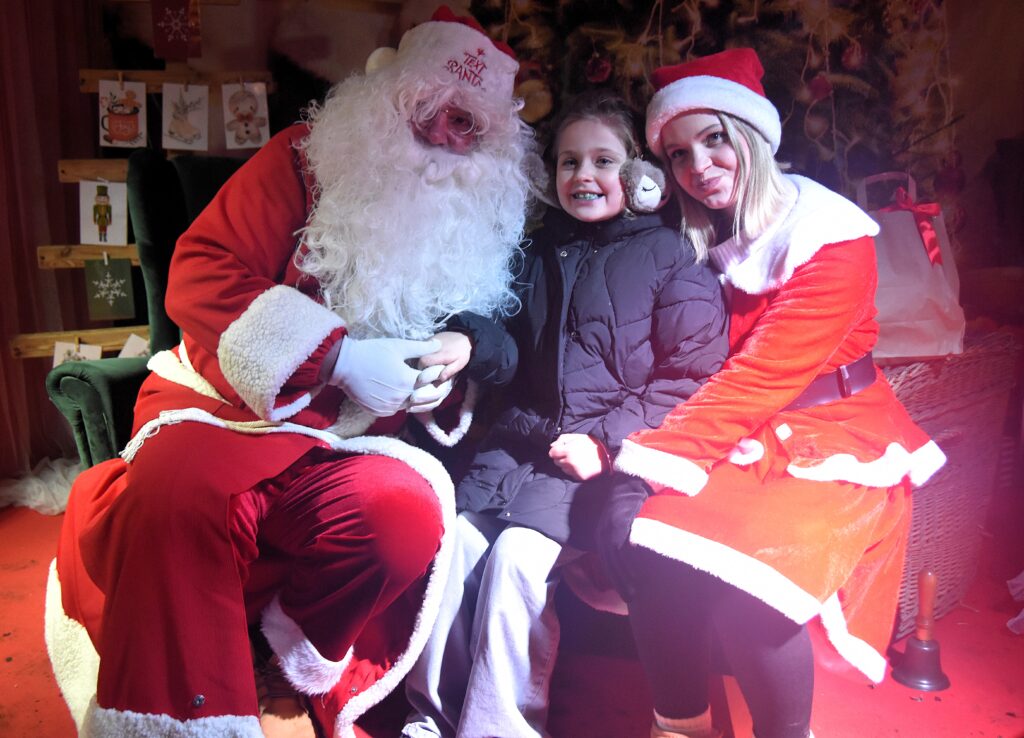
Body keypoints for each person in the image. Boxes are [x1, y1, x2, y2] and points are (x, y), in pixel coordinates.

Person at [46, 7, 535, 738]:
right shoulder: (304, 159)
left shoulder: (475, 217)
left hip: (342, 444)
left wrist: (445, 368)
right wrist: (337, 357)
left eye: (464, 122)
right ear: (388, 96)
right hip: (222, 412)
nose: (440, 133)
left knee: (405, 516)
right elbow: (199, 275)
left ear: (488, 139)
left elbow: (486, 333)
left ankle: (286, 654)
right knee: (181, 495)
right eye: (426, 106)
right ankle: (183, 717)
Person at [596, 49, 948, 738]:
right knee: (658, 558)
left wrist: (638, 470)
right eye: (678, 154)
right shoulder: (698, 231)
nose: (699, 166)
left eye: (715, 139)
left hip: (835, 438)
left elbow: (761, 375)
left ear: (751, 135)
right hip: (742, 436)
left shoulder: (831, 237)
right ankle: (680, 730)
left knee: (751, 597)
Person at [401, 90, 729, 738]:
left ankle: (500, 727)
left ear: (640, 177)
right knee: (457, 544)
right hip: (516, 450)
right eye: (569, 162)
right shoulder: (537, 251)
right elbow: (506, 342)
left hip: (591, 465)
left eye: (603, 161)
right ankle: (431, 715)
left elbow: (692, 377)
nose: (584, 175)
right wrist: (469, 340)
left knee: (517, 560)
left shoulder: (670, 255)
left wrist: (608, 445)